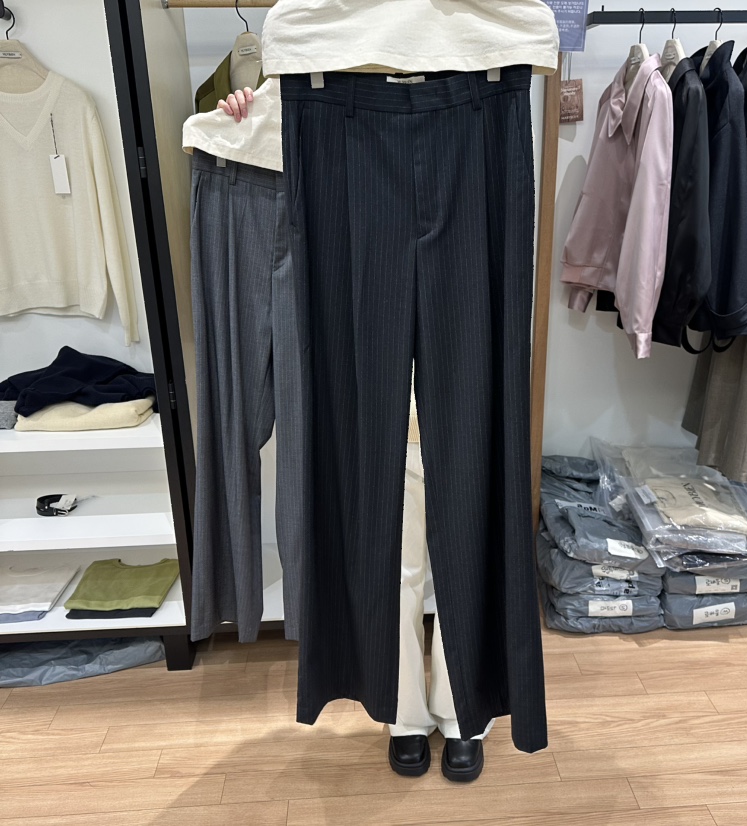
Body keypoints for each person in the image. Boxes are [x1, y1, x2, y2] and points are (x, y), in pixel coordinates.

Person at [213, 88, 491, 781]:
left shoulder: (470, 108)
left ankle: (462, 712)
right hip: (381, 416)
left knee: (466, 555)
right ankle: (406, 715)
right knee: (396, 569)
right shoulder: (332, 108)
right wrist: (253, 112)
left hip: (459, 398)